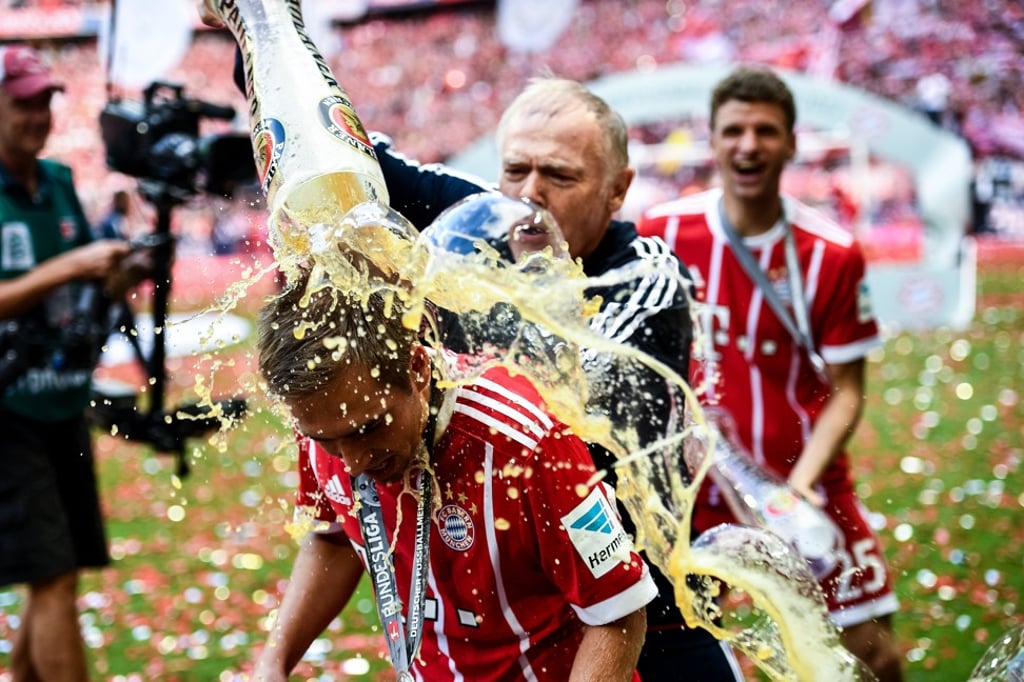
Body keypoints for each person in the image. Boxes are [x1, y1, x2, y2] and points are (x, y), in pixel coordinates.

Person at [637, 66, 904, 682]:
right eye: (734, 130)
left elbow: (848, 391)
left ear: (790, 144)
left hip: (800, 481)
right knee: (697, 653)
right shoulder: (664, 232)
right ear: (713, 140)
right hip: (693, 490)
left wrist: (800, 486)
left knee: (871, 652)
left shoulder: (832, 253)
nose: (748, 145)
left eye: (765, 131)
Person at [253, 274, 656, 681]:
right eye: (326, 440)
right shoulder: (327, 422)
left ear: (417, 369)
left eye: (369, 428)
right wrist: (273, 662)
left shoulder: (528, 445)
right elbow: (335, 538)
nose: (352, 462)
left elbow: (618, 609)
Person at [0, 44, 146, 681]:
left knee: (55, 574)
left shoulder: (58, 180)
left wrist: (128, 267)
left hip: (62, 401)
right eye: (22, 103)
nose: (38, 116)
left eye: (46, 102)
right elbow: (67, 270)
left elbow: (90, 283)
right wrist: (70, 266)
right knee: (52, 574)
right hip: (7, 411)